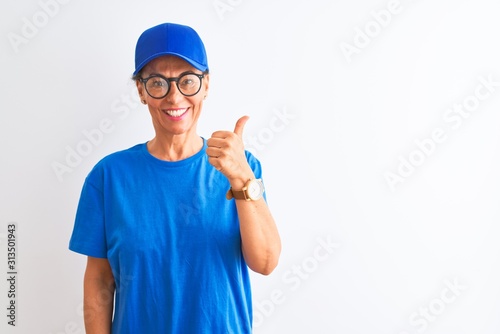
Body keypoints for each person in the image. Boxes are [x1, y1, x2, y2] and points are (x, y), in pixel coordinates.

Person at [68, 22, 281, 333]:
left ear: (206, 85)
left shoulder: (242, 166)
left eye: (187, 81)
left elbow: (265, 263)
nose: (174, 96)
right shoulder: (108, 176)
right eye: (158, 83)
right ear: (141, 91)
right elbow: (100, 280)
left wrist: (242, 181)